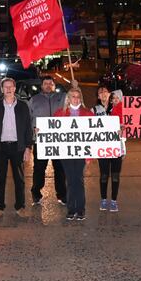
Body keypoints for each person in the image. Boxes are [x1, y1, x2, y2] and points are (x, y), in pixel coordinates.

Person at [0, 78, 33, 219]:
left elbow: (28, 128)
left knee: (19, 179)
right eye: (5, 87)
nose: (8, 89)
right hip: (0, 147)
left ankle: (20, 206)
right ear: (2, 89)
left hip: (18, 147)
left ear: (14, 88)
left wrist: (28, 147)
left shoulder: (23, 106)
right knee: (0, 179)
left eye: (11, 86)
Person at [54, 87, 94, 221]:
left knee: (78, 179)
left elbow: (95, 134)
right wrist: (40, 131)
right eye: (73, 96)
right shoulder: (60, 113)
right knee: (70, 180)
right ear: (68, 98)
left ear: (81, 98)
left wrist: (89, 155)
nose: (76, 99)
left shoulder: (88, 113)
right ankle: (71, 209)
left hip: (82, 152)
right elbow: (52, 131)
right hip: (65, 152)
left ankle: (80, 209)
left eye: (78, 96)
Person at [29, 76, 67, 206]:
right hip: (41, 141)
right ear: (41, 86)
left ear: (54, 86)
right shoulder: (34, 100)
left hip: (58, 140)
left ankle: (62, 195)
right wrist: (32, 130)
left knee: (60, 169)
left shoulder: (63, 98)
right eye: (46, 83)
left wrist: (75, 87)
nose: (48, 85)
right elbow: (29, 118)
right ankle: (36, 193)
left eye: (51, 83)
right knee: (39, 168)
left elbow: (76, 99)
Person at [96, 89, 124, 213]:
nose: (103, 94)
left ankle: (113, 200)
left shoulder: (121, 109)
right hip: (102, 147)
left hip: (117, 146)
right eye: (100, 92)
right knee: (104, 175)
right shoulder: (95, 110)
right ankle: (103, 199)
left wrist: (123, 129)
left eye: (105, 92)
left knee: (115, 175)